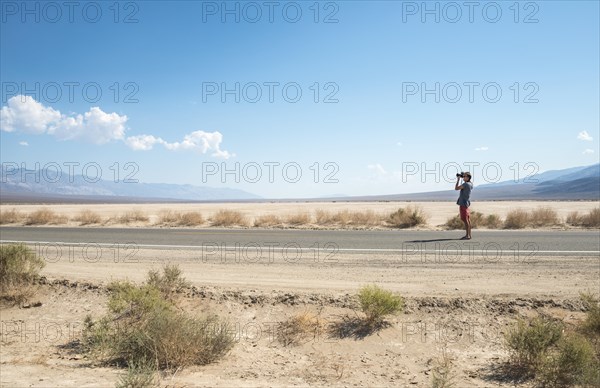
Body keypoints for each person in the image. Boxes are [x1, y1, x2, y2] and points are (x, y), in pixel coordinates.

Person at [455, 172, 473, 240]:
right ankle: (469, 235)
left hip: (463, 204)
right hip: (466, 203)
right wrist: (463, 175)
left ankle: (467, 235)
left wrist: (458, 179)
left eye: (465, 176)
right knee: (468, 220)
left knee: (465, 220)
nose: (463, 177)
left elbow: (456, 188)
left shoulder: (465, 184)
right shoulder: (470, 184)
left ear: (468, 177)